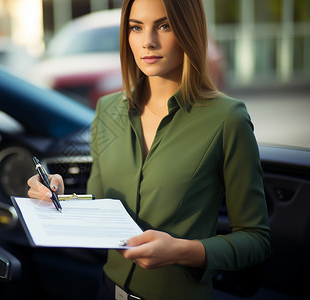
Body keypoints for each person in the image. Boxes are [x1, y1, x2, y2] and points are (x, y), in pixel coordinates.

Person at [27, 0, 271, 299]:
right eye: (136, 27)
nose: (148, 42)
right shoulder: (107, 109)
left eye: (164, 26)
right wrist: (58, 197)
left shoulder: (227, 119)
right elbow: (103, 209)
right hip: (107, 291)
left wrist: (182, 251)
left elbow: (256, 240)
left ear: (188, 31)